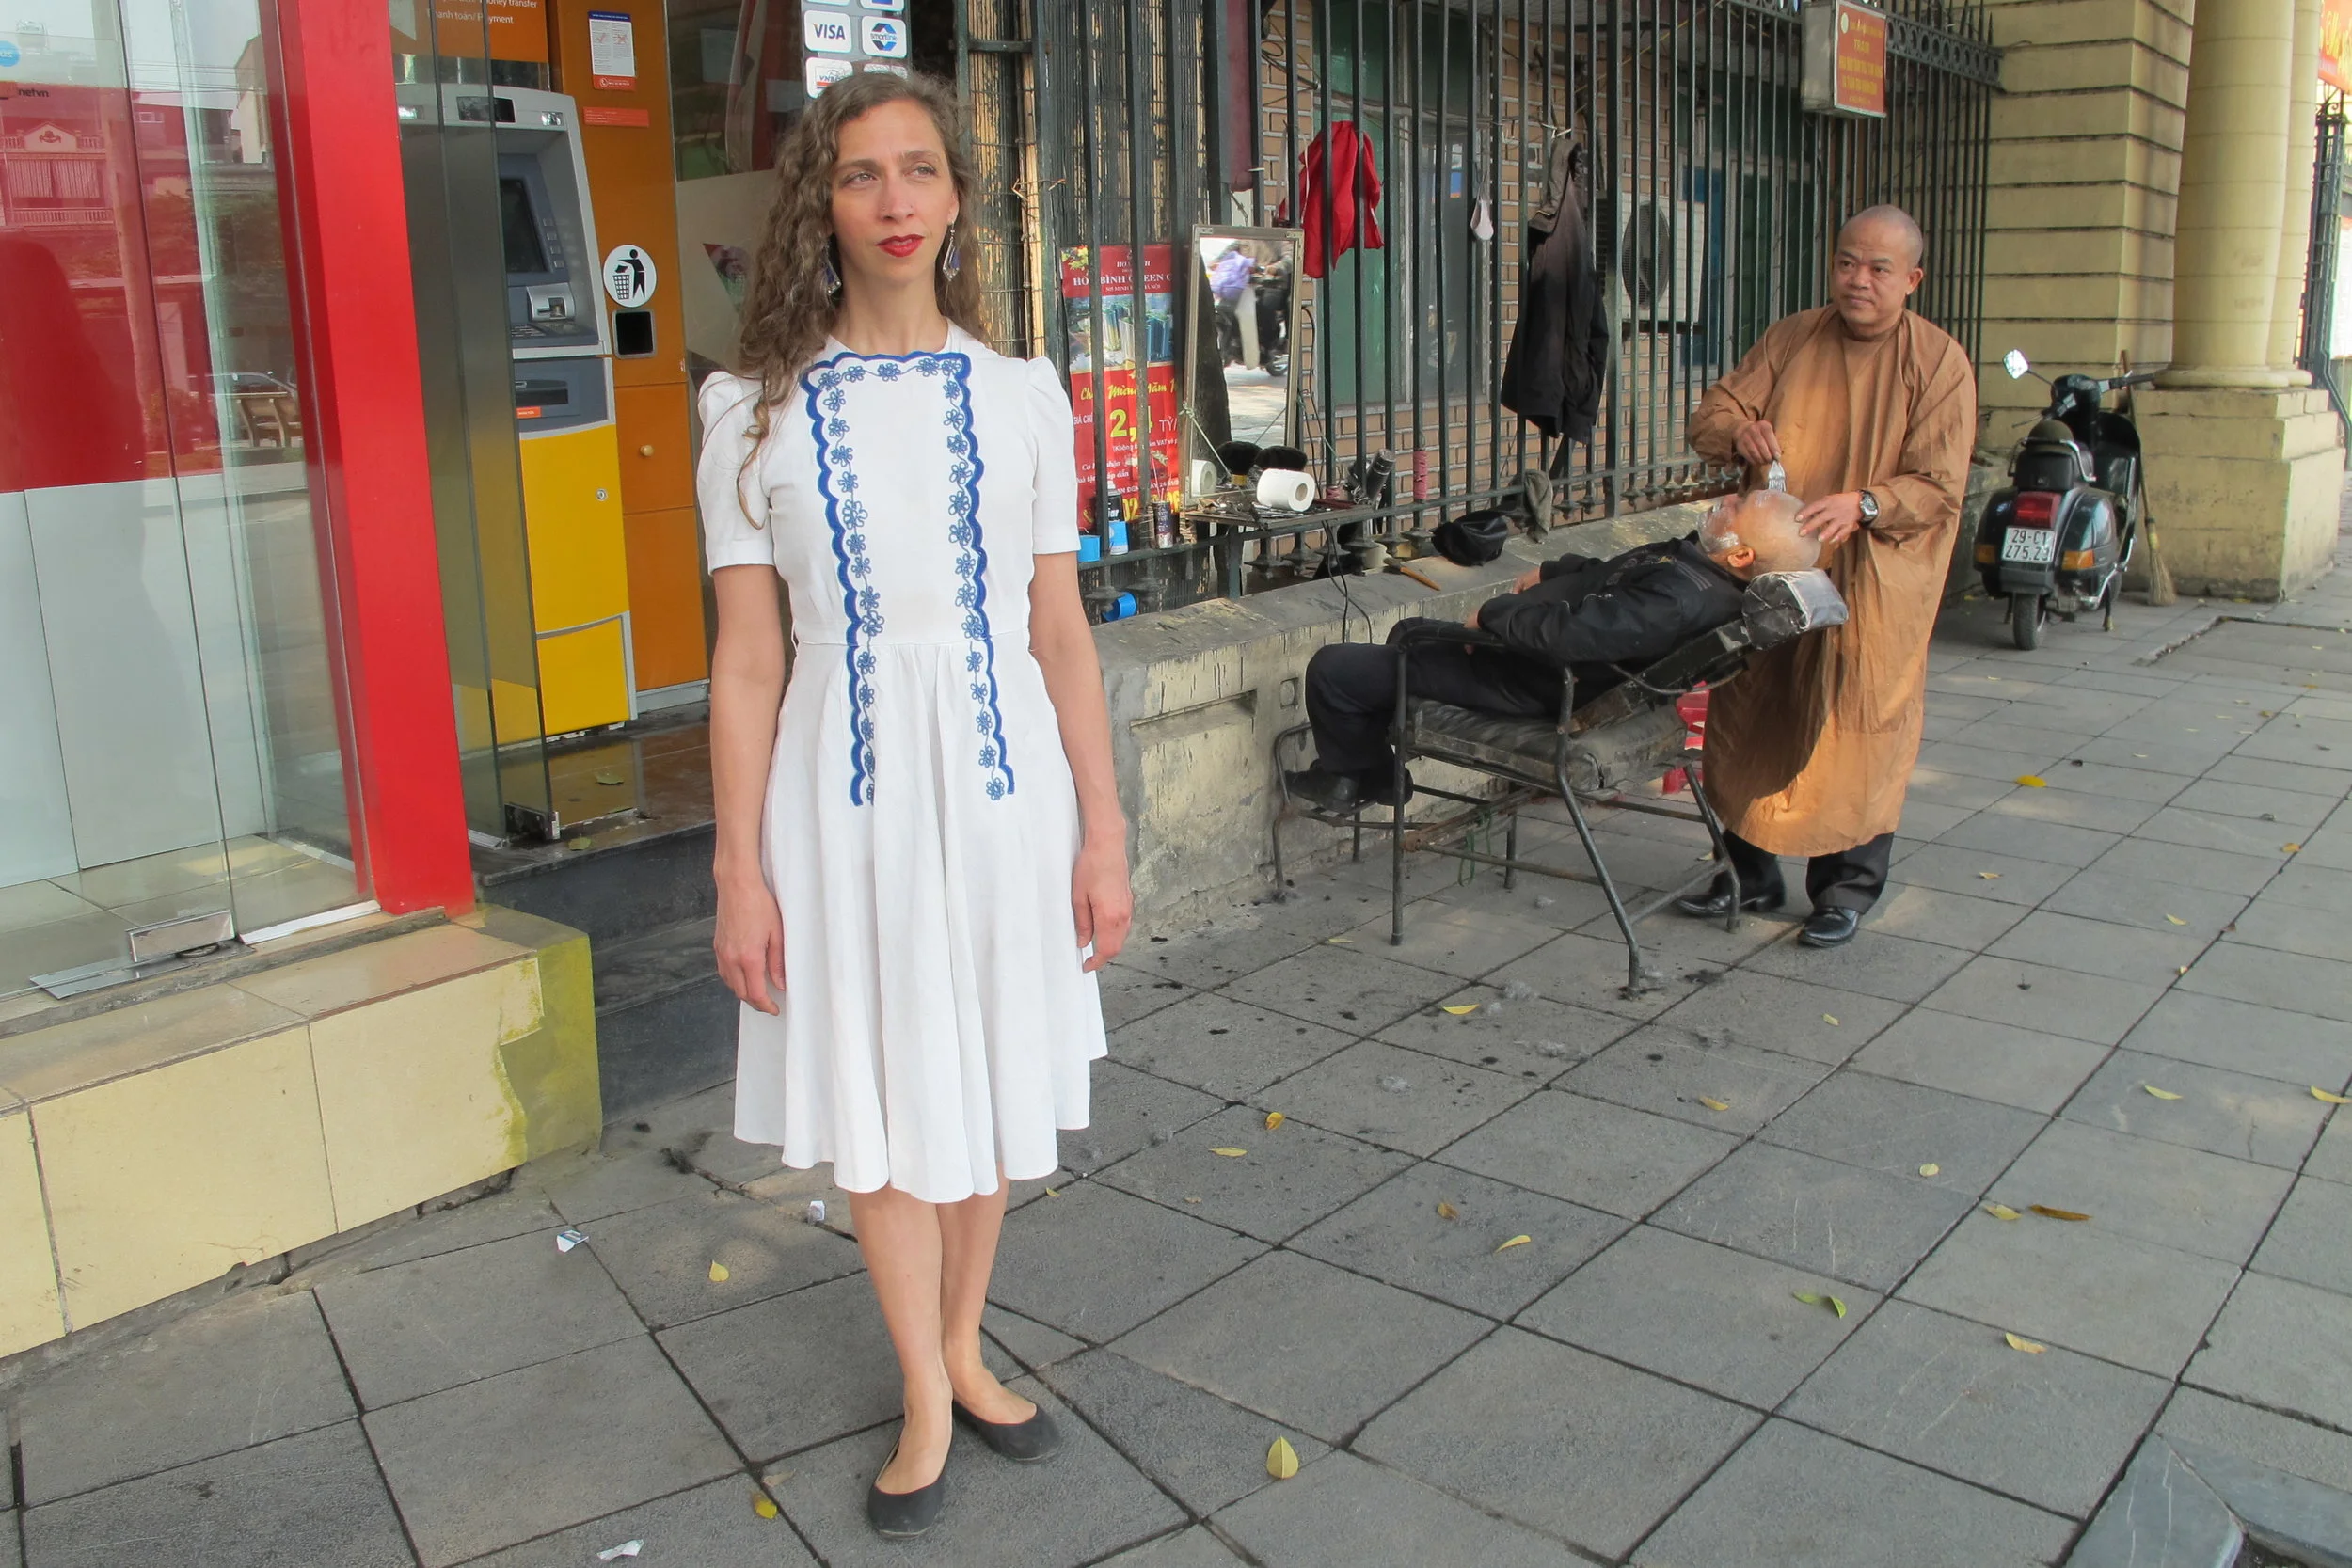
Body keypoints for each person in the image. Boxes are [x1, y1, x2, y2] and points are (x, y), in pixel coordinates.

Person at [694, 71, 1131, 1540]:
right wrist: (738, 870)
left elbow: (1061, 633)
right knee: (884, 1091)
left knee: (996, 1077)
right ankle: (923, 1387)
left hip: (1009, 795)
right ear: (822, 201)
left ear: (956, 201)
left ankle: (966, 1340)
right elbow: (747, 663)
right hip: (848, 801)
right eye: (862, 173)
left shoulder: (1023, 397)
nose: (893, 199)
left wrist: (1106, 829)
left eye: (919, 171)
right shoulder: (751, 410)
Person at [1680, 204, 1977, 949]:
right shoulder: (1793, 336)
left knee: (1859, 720)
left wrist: (1869, 502)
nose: (1859, 281)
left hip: (1873, 575)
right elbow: (1713, 412)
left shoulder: (1940, 362)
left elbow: (1939, 484)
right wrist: (1737, 430)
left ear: (1912, 278)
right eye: (1848, 262)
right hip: (1775, 564)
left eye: (1879, 269)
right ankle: (1746, 871)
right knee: (1751, 706)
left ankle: (1844, 889)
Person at [1283, 488, 1820, 813]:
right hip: (1534, 664)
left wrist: (1493, 616)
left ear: (1742, 552)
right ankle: (1371, 770)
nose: (1725, 500)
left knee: (1336, 669)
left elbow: (1570, 636)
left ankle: (1358, 777)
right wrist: (1554, 571)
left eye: (1738, 505)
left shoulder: (1678, 600)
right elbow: (1617, 578)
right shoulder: (1700, 578)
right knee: (1409, 636)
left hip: (1530, 680)